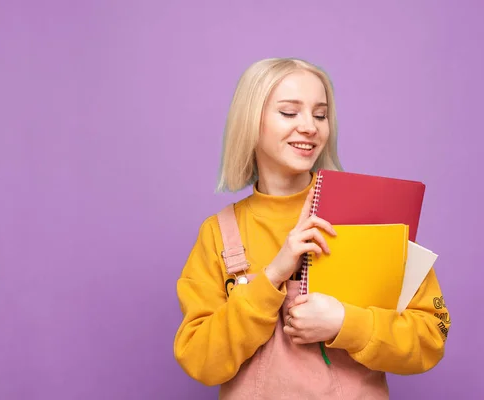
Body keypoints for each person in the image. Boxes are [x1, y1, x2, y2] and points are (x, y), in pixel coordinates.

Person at [173, 57, 451, 399]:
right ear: (250, 121)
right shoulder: (218, 232)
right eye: (289, 113)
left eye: (320, 115)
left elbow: (430, 336)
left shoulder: (371, 212)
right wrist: (273, 276)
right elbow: (201, 361)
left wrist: (346, 324)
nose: (310, 127)